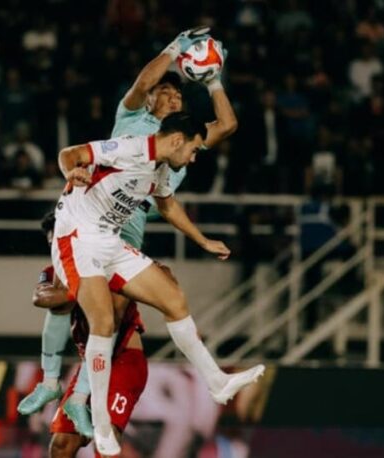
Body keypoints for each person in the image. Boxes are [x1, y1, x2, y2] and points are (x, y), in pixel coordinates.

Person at [17, 25, 240, 435]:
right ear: (151, 98)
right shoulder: (131, 118)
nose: (174, 97)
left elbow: (226, 125)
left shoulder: (183, 139)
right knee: (61, 296)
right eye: (167, 93)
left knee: (112, 313)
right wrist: (174, 49)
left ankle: (82, 398)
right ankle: (50, 382)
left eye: (179, 94)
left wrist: (214, 82)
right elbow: (141, 83)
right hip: (89, 210)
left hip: (129, 224)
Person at [53, 113, 264, 455]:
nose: (194, 157)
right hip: (76, 237)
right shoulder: (126, 149)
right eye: (194, 149)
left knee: (173, 298)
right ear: (178, 140)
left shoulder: (161, 167)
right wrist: (71, 172)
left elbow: (167, 206)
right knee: (103, 322)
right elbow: (69, 153)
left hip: (108, 240)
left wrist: (203, 240)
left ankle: (217, 382)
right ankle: (102, 425)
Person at [27, 212, 150, 457]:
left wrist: (72, 293)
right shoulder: (52, 272)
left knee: (106, 441)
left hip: (122, 361)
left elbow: (114, 314)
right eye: (53, 244)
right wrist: (78, 291)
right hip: (90, 367)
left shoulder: (111, 262)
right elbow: (41, 297)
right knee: (62, 444)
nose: (59, 249)